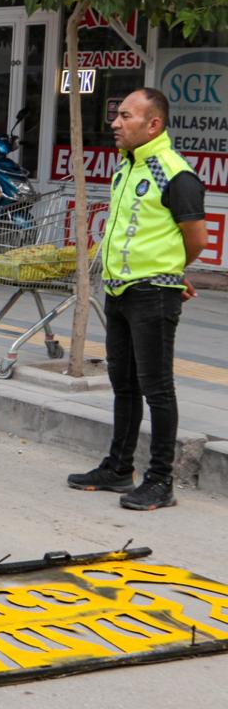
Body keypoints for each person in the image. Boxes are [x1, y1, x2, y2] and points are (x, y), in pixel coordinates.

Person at [67, 87, 207, 511]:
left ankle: (161, 481)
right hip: (119, 289)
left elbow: (196, 239)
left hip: (152, 293)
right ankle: (118, 468)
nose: (115, 123)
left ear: (153, 124)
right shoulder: (126, 167)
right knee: (123, 383)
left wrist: (169, 273)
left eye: (125, 116)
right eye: (117, 115)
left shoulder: (175, 173)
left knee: (157, 387)